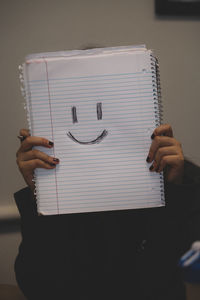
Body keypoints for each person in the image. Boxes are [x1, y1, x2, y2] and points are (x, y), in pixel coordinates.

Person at [15, 124, 200, 300]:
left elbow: (177, 285)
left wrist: (175, 191)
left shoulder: (180, 179)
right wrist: (40, 196)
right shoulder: (64, 190)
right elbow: (38, 288)